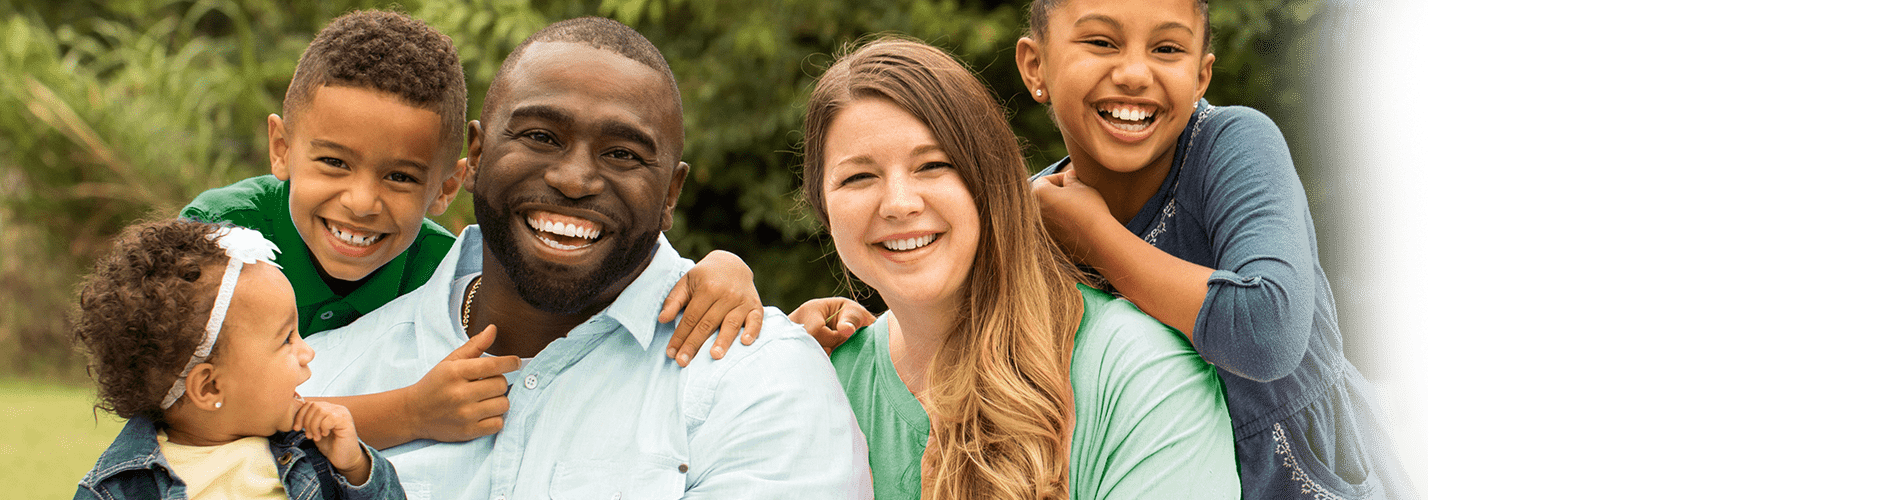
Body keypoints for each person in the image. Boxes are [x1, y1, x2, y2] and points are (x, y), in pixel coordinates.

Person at [799, 0, 1422, 498]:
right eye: (1100, 42)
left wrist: (1097, 236)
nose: (1132, 71)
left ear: (1203, 73)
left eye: (1168, 48)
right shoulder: (1037, 206)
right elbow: (948, 284)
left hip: (1309, 478)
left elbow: (1267, 331)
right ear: (1034, 66)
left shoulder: (1231, 146)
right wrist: (826, 328)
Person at [298, 17, 871, 500]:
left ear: (670, 194)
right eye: (541, 136)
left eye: (622, 153)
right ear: (473, 155)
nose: (574, 180)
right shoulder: (316, 379)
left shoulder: (760, 381)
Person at [177, 9, 767, 451]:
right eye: (333, 162)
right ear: (280, 148)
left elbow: (614, 255)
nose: (361, 202)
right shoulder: (220, 238)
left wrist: (720, 270)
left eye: (401, 177)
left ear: (448, 186)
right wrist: (407, 413)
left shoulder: (443, 272)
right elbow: (185, 410)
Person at [797, 37, 1236, 500]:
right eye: (858, 177)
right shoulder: (818, 383)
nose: (900, 204)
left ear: (993, 181)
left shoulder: (1139, 372)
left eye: (933, 165)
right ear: (823, 208)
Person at [71, 219, 401, 499]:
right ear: (211, 387)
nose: (307, 352)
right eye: (286, 339)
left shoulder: (313, 449)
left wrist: (357, 469)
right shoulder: (119, 489)